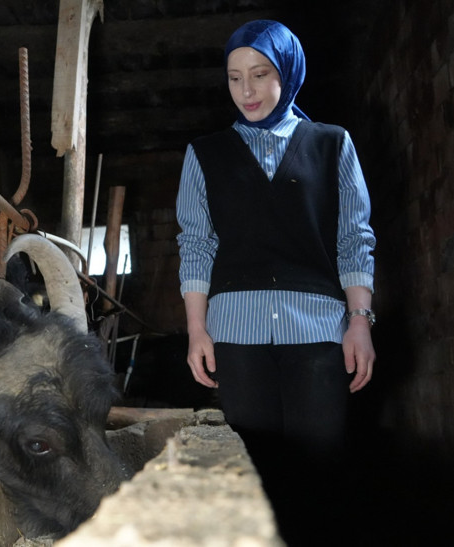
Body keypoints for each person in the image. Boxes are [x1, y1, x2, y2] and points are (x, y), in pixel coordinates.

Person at [175, 19, 376, 545]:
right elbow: (196, 245)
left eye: (260, 74)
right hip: (235, 332)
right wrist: (197, 329)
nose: (247, 90)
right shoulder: (204, 154)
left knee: (321, 469)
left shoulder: (332, 144)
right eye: (235, 77)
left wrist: (359, 322)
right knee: (255, 475)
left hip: (318, 329)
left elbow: (354, 238)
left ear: (287, 73)